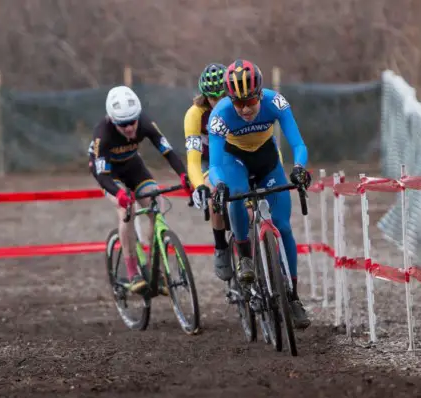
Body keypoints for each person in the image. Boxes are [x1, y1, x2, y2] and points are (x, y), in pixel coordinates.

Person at [206, 59, 312, 329]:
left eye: (250, 102)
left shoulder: (275, 103)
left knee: (284, 227)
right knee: (237, 194)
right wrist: (219, 184)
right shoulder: (219, 115)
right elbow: (216, 165)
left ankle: (293, 296)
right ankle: (244, 257)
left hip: (267, 161)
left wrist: (299, 168)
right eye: (238, 103)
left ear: (259, 94)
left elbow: (298, 144)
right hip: (234, 162)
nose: (245, 109)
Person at [88, 85, 189, 293]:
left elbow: (167, 151)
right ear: (112, 121)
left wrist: (183, 174)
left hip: (133, 166)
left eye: (132, 122)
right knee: (127, 211)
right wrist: (119, 194)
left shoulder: (144, 123)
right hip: (108, 174)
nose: (129, 128)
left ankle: (156, 269)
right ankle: (133, 271)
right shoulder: (102, 135)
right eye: (123, 124)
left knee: (156, 205)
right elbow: (101, 175)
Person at [182, 63, 232, 280]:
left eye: (223, 96)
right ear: (204, 97)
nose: (218, 102)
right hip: (207, 160)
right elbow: (192, 159)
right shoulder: (195, 115)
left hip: (234, 156)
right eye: (213, 98)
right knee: (214, 197)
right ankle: (221, 247)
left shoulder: (239, 106)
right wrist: (199, 186)